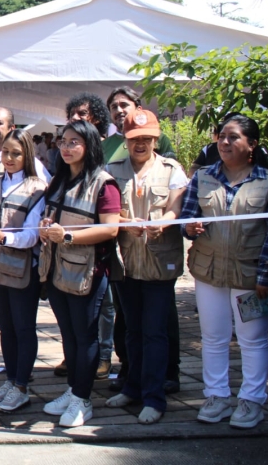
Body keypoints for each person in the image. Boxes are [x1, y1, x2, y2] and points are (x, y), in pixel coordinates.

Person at [181, 114, 268, 429]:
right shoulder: (202, 177)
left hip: (251, 277)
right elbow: (186, 219)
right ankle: (216, 397)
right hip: (208, 272)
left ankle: (251, 401)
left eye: (233, 137)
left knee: (252, 339)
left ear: (251, 145)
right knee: (213, 337)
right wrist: (190, 228)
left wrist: (266, 277)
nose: (224, 142)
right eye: (222, 136)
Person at [104, 110, 187, 424]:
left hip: (159, 262)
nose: (141, 144)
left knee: (154, 332)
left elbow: (176, 209)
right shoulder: (112, 170)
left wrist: (161, 223)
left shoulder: (171, 170)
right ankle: (133, 387)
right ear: (126, 140)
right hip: (125, 262)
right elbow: (109, 213)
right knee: (132, 331)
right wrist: (127, 223)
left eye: (147, 138)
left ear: (156, 139)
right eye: (135, 139)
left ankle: (154, 398)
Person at [38, 119, 121, 428]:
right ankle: (73, 390)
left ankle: (83, 399)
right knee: (68, 334)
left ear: (89, 146)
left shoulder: (103, 183)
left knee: (85, 334)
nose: (67, 147)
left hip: (88, 270)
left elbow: (111, 228)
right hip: (57, 268)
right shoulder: (59, 179)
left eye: (74, 142)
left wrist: (68, 236)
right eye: (63, 141)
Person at [0, 130, 48, 413]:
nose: (8, 158)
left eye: (16, 153)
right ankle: (10, 379)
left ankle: (22, 385)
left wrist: (3, 238)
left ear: (27, 155)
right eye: (5, 152)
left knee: (23, 327)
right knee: (5, 328)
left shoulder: (37, 188)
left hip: (22, 270)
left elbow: (33, 235)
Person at [64, 92, 116, 381]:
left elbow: (109, 223)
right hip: (70, 257)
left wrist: (69, 236)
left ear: (96, 118)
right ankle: (75, 359)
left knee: (103, 304)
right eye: (72, 115)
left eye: (82, 115)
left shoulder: (107, 157)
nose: (76, 119)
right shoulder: (67, 168)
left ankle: (103, 356)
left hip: (100, 250)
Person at [102, 87, 175, 163]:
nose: (119, 110)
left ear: (138, 109)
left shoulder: (156, 138)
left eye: (124, 105)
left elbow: (169, 170)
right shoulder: (103, 146)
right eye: (114, 107)